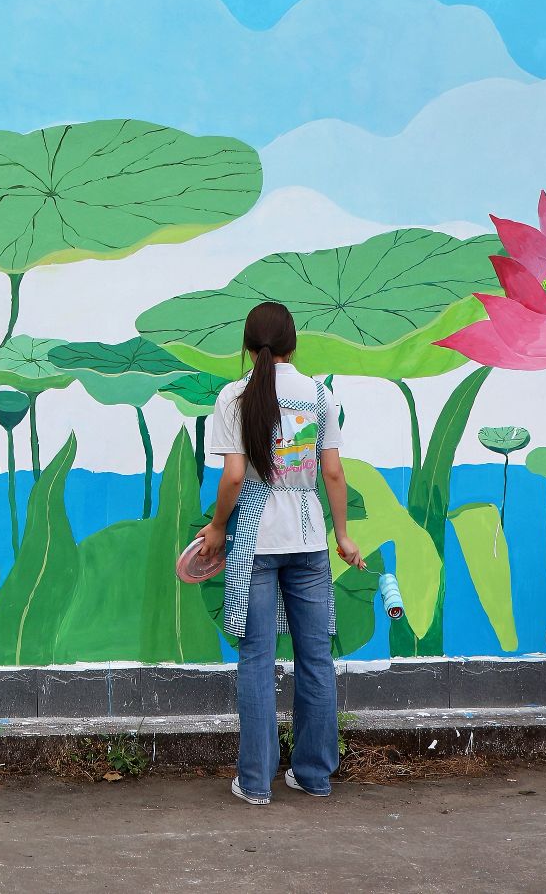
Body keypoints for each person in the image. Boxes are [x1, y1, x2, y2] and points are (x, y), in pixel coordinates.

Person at [195, 300, 366, 805]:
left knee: (256, 660)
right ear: (294, 344)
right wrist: (342, 534)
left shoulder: (233, 396)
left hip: (255, 539)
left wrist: (217, 526)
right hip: (310, 541)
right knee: (316, 659)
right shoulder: (319, 394)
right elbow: (332, 473)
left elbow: (232, 476)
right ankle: (313, 776)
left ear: (248, 347)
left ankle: (255, 783)